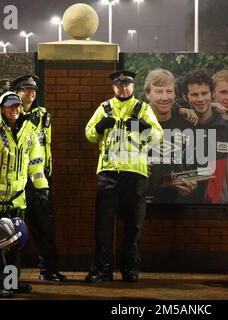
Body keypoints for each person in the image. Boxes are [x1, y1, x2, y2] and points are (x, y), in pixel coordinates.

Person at [85, 70, 163, 282]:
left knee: (133, 225)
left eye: (127, 84)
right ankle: (103, 270)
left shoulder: (142, 108)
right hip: (108, 173)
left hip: (135, 174)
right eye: (119, 85)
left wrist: (141, 126)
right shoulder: (105, 108)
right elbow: (90, 133)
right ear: (114, 87)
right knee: (103, 226)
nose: (123, 88)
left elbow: (158, 136)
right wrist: (99, 127)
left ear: (133, 87)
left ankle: (130, 270)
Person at [0, 91, 49, 298]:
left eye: (17, 106)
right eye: (10, 106)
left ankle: (11, 283)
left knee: (14, 246)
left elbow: (36, 164)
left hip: (17, 200)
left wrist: (42, 187)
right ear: (2, 108)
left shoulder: (29, 132)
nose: (14, 109)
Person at [11, 74, 66, 282]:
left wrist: (46, 174)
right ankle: (12, 277)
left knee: (46, 226)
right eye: (26, 89)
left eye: (34, 89)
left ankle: (48, 270)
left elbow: (45, 145)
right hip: (17, 181)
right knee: (14, 229)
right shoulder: (9, 115)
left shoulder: (43, 115)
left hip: (41, 178)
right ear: (17, 92)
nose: (31, 93)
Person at [180, 69, 228, 203]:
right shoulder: (180, 126)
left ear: (211, 94)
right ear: (185, 96)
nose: (200, 99)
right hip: (191, 208)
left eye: (204, 93)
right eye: (194, 94)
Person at [144, 69, 197, 203]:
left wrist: (191, 184)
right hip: (142, 208)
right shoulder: (132, 125)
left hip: (179, 207)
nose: (165, 97)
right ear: (147, 94)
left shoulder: (187, 125)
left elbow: (194, 169)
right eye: (159, 91)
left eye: (169, 91)